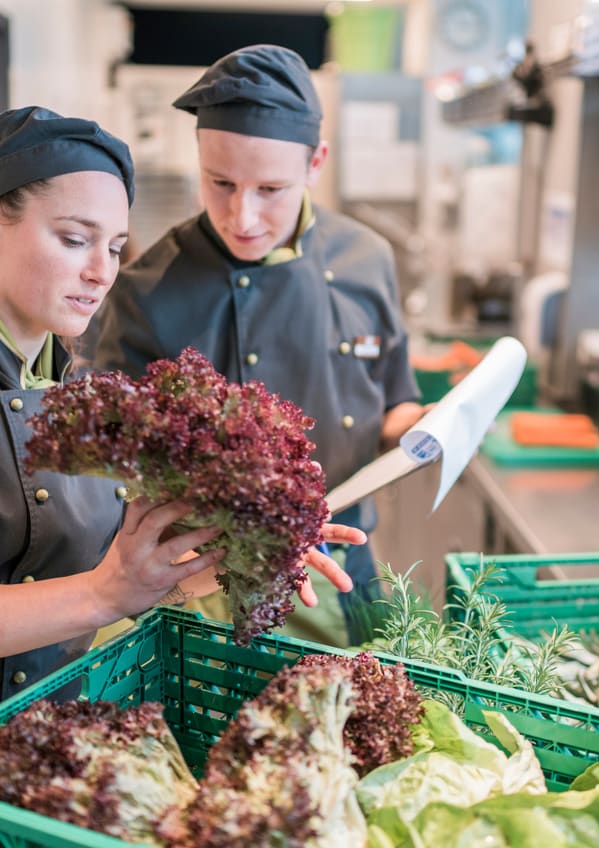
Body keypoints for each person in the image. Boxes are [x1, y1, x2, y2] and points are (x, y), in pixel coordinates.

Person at [0, 105, 364, 697]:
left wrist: (243, 543)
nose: (101, 271)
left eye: (116, 247)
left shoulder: (66, 384)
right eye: (74, 239)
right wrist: (102, 594)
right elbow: (98, 592)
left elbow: (122, 585)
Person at [89, 45, 426, 645]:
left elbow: (395, 400)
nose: (242, 216)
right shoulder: (145, 290)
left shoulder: (366, 259)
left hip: (343, 566)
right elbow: (116, 471)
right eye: (220, 183)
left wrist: (432, 428)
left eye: (271, 188)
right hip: (201, 586)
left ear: (316, 162)